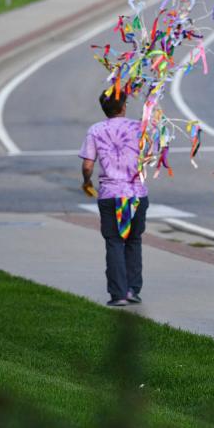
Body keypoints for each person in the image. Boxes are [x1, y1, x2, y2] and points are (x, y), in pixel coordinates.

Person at [80, 90, 150, 307]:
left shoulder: (95, 130)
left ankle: (118, 293)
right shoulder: (139, 128)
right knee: (133, 240)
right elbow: (150, 153)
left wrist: (86, 181)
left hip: (110, 194)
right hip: (136, 193)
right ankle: (132, 289)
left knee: (114, 242)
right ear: (124, 106)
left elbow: (88, 164)